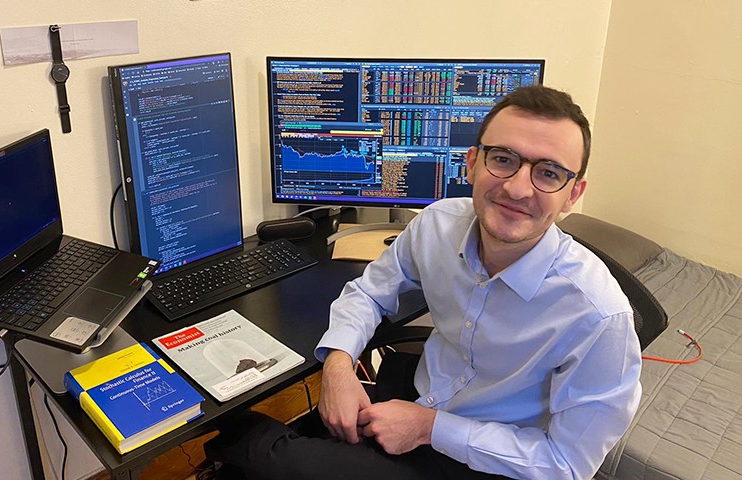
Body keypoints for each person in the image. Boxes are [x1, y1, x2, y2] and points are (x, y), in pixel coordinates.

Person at [204, 85, 642, 480]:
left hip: (496, 458)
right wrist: (337, 365)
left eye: (549, 173)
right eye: (503, 160)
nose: (518, 188)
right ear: (473, 162)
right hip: (418, 396)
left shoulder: (599, 317)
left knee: (275, 458)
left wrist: (429, 429)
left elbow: (566, 465)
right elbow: (369, 291)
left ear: (573, 194)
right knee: (296, 435)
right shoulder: (437, 224)